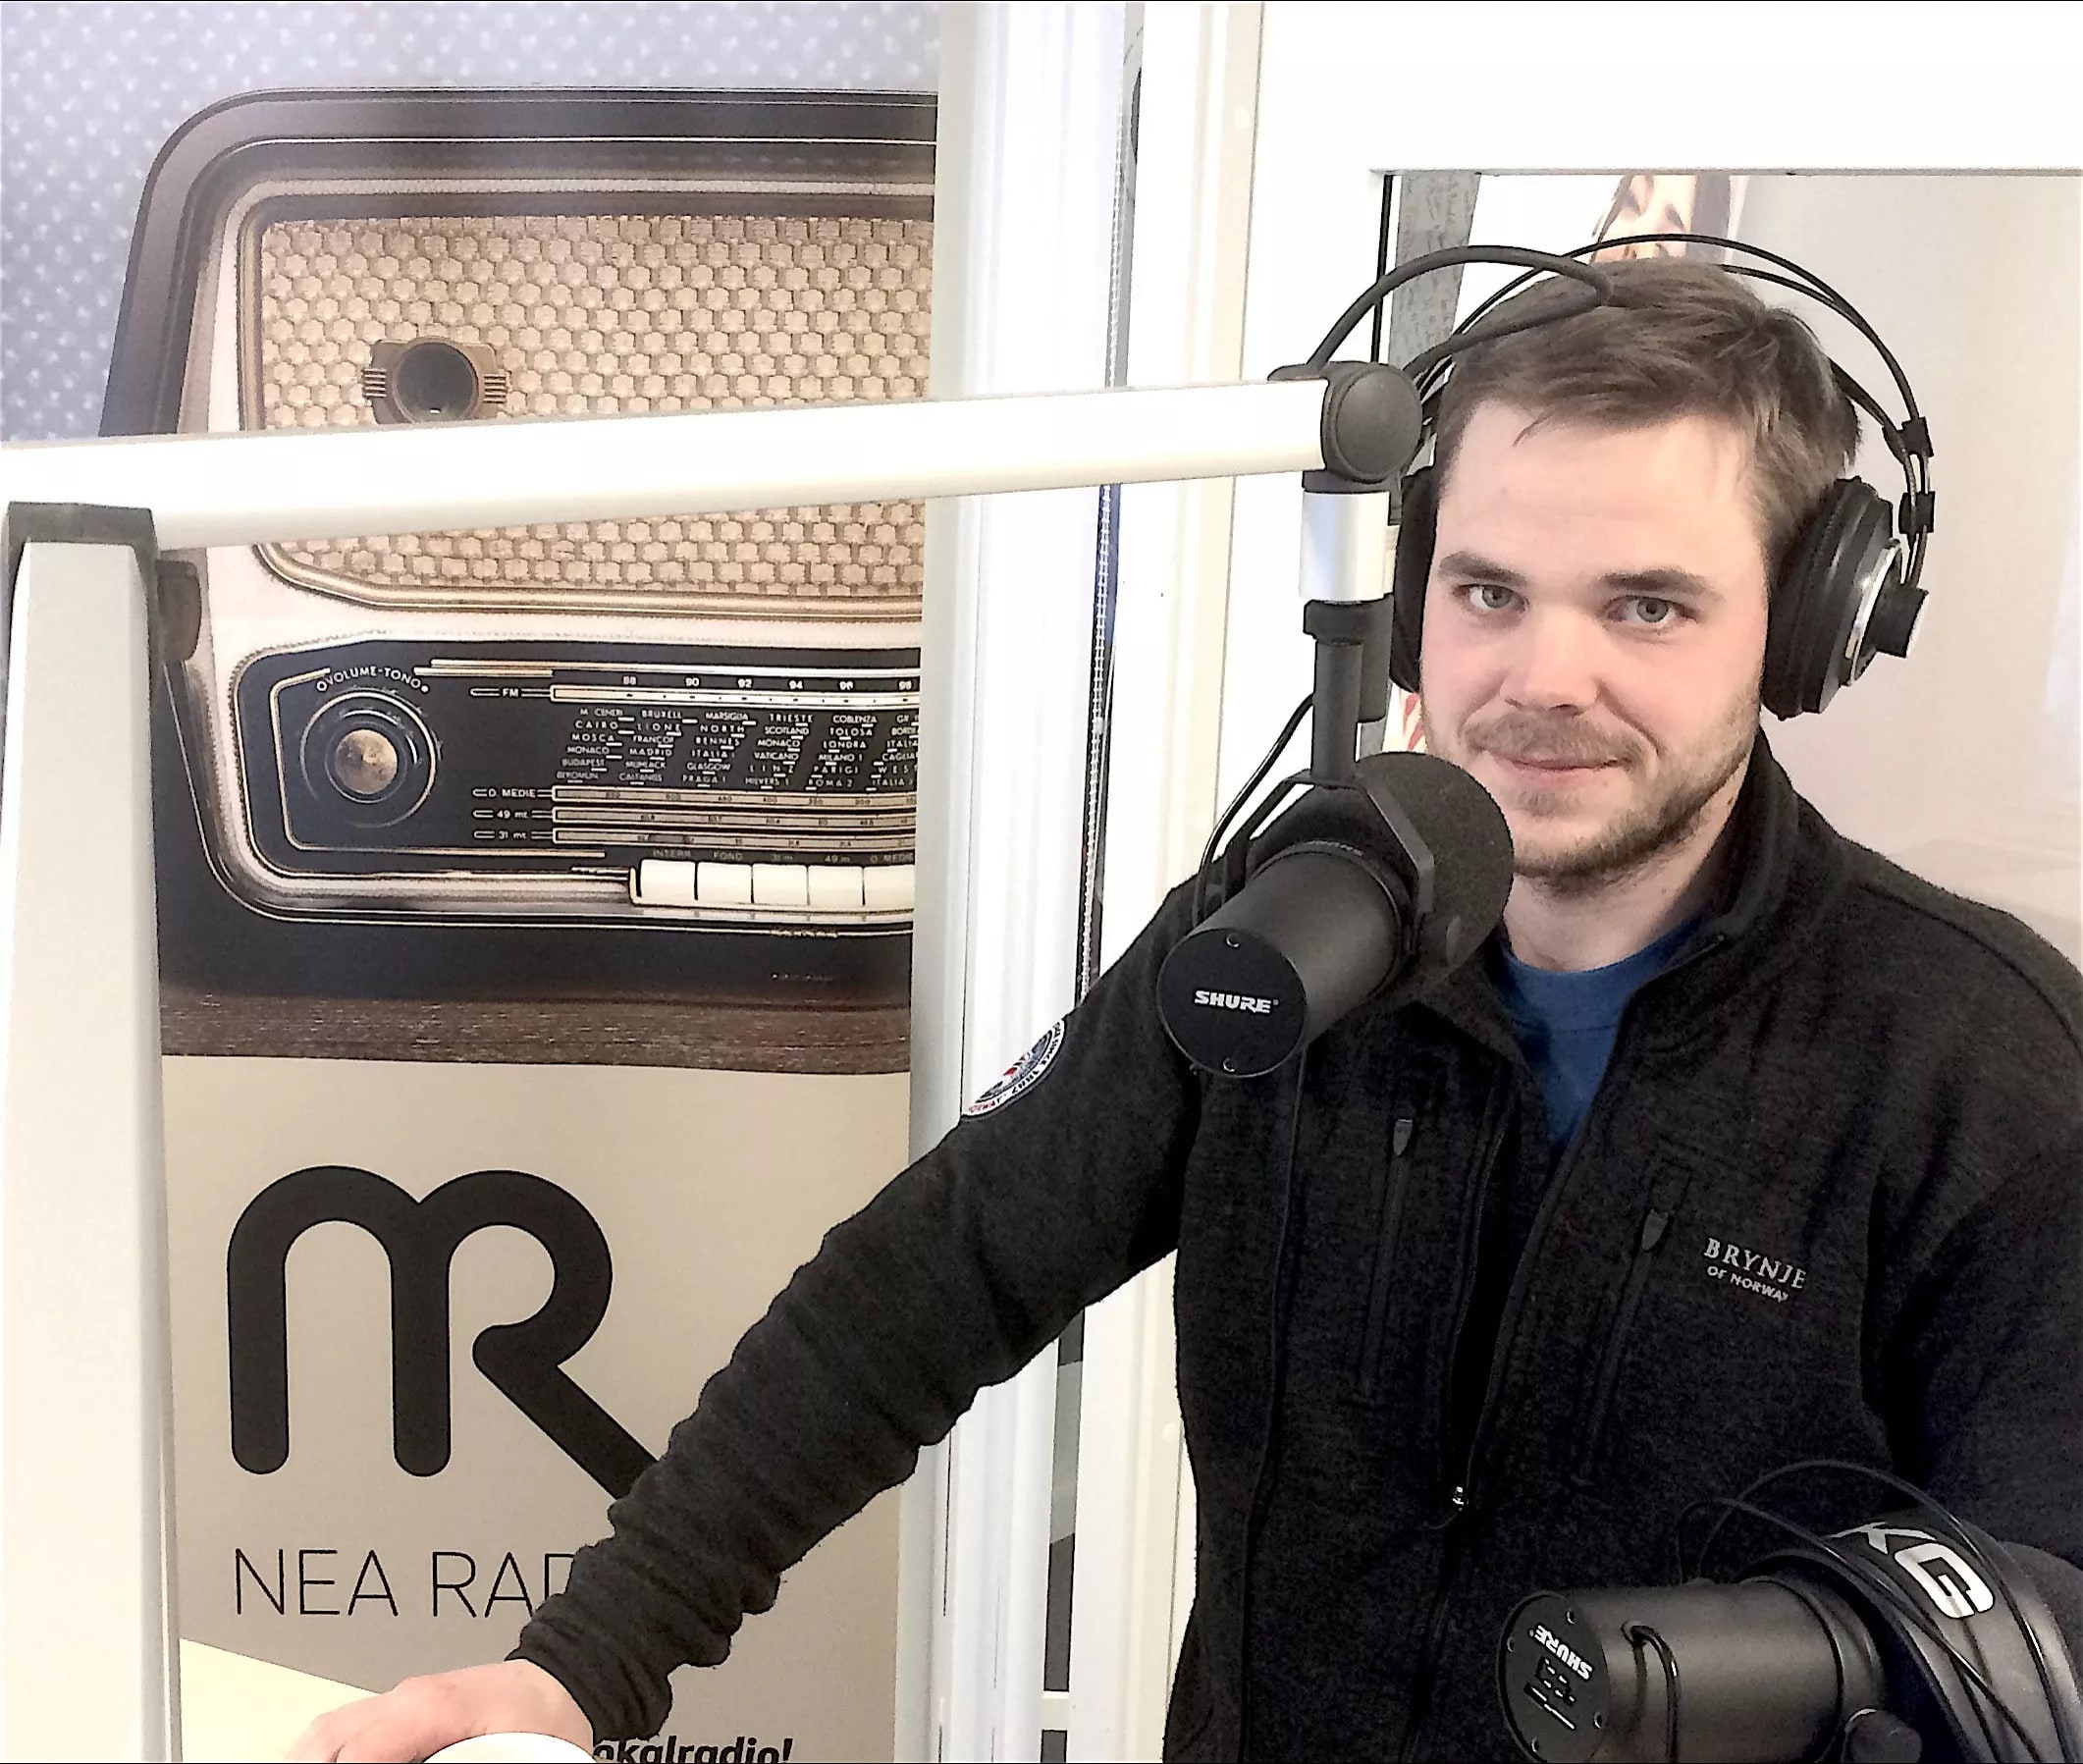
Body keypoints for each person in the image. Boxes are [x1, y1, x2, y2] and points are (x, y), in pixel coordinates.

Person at [295, 255, 2083, 1763]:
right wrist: (580, 1662)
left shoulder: (1975, 1064)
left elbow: (2048, 1616)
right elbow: (921, 1285)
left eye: (1646, 605)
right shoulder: (1282, 939)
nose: (1545, 674)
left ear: (1803, 631)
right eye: (1486, 590)